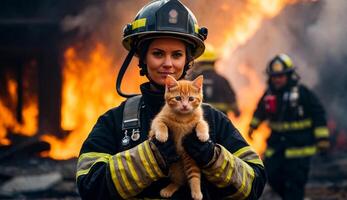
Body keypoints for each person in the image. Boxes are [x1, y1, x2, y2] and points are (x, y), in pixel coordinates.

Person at [76, 0, 266, 199]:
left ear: (187, 61)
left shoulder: (213, 120)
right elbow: (90, 187)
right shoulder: (116, 121)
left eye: (177, 55)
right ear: (142, 58)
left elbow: (254, 183)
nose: (168, 64)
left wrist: (212, 157)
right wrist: (151, 157)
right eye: (158, 54)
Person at [248, 54, 330, 200]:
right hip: (277, 147)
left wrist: (322, 139)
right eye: (274, 76)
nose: (277, 79)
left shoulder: (302, 93)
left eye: (280, 76)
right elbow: (260, 111)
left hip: (298, 150)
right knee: (270, 176)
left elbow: (318, 113)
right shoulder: (269, 94)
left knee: (295, 185)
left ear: (289, 75)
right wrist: (253, 126)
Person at [187, 43, 241, 117]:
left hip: (198, 120)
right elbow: (231, 98)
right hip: (220, 120)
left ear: (199, 62)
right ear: (214, 62)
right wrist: (236, 111)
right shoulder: (222, 80)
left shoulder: (192, 79)